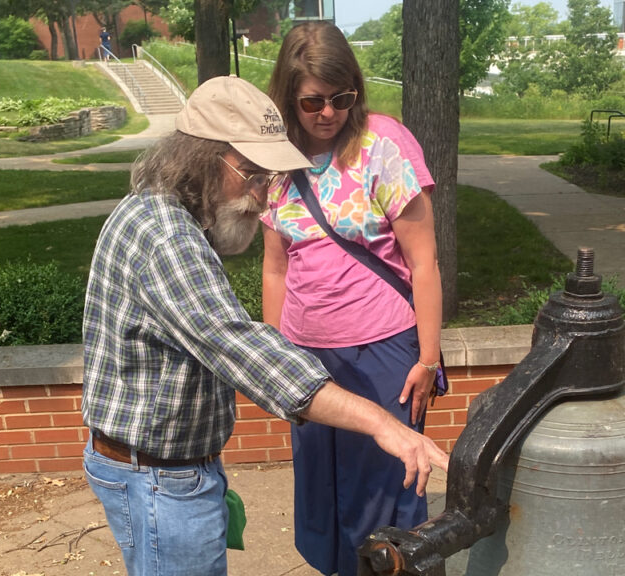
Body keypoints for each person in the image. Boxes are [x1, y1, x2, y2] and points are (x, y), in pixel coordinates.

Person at [80, 75, 448, 576]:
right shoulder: (167, 238)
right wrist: (385, 425)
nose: (263, 195)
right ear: (208, 160)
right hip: (159, 482)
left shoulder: (164, 213)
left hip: (167, 468)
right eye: (255, 174)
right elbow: (244, 351)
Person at [263, 22, 443, 576]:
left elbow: (424, 263)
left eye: (342, 98)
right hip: (307, 354)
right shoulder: (273, 157)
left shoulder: (383, 144)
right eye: (313, 101)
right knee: (321, 490)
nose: (328, 113)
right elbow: (274, 268)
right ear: (290, 98)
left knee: (386, 488)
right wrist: (275, 357)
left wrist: (428, 358)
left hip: (384, 350)